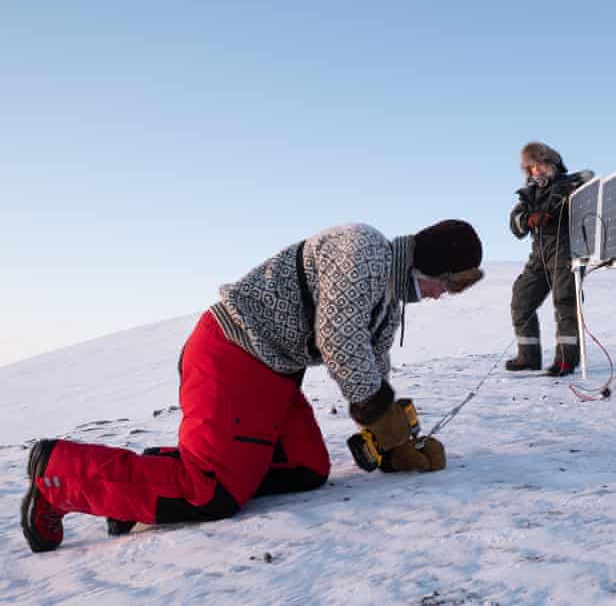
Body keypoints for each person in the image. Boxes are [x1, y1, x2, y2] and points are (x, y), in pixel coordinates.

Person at [21, 220, 484, 553]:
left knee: (306, 468)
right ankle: (58, 477)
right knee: (213, 492)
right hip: (232, 353)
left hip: (274, 374)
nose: (443, 296)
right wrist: (380, 414)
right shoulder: (363, 249)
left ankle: (135, 490)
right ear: (432, 266)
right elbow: (339, 339)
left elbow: (372, 362)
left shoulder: (388, 298)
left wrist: (392, 438)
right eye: (448, 285)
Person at [506, 142, 593, 376]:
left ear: (552, 163)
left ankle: (566, 359)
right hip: (540, 255)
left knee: (565, 301)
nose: (537, 169)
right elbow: (515, 223)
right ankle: (528, 356)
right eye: (531, 166)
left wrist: (572, 195)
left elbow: (588, 188)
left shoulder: (570, 185)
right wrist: (528, 219)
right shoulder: (529, 194)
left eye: (541, 163)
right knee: (521, 299)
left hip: (567, 250)